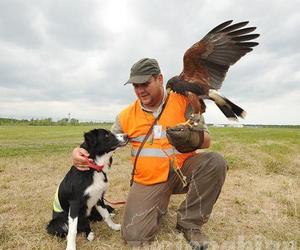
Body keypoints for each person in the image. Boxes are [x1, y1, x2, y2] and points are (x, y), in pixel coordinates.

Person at [72, 58, 227, 249]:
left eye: (145, 83)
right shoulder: (126, 116)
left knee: (215, 162)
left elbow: (207, 141)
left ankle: (190, 223)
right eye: (135, 86)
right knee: (134, 236)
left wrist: (191, 138)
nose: (140, 90)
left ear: (160, 79)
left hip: (181, 172)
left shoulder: (183, 101)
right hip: (149, 179)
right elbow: (103, 143)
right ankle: (157, 203)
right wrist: (78, 151)